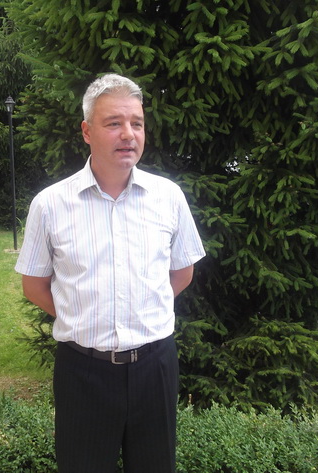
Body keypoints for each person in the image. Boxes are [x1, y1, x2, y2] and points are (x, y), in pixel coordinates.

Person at [15, 73, 205, 473]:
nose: (128, 134)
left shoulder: (168, 198)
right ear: (87, 131)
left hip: (155, 368)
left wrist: (140, 308)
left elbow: (182, 272)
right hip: (82, 372)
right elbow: (33, 285)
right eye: (114, 123)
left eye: (137, 123)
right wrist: (83, 315)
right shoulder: (50, 205)